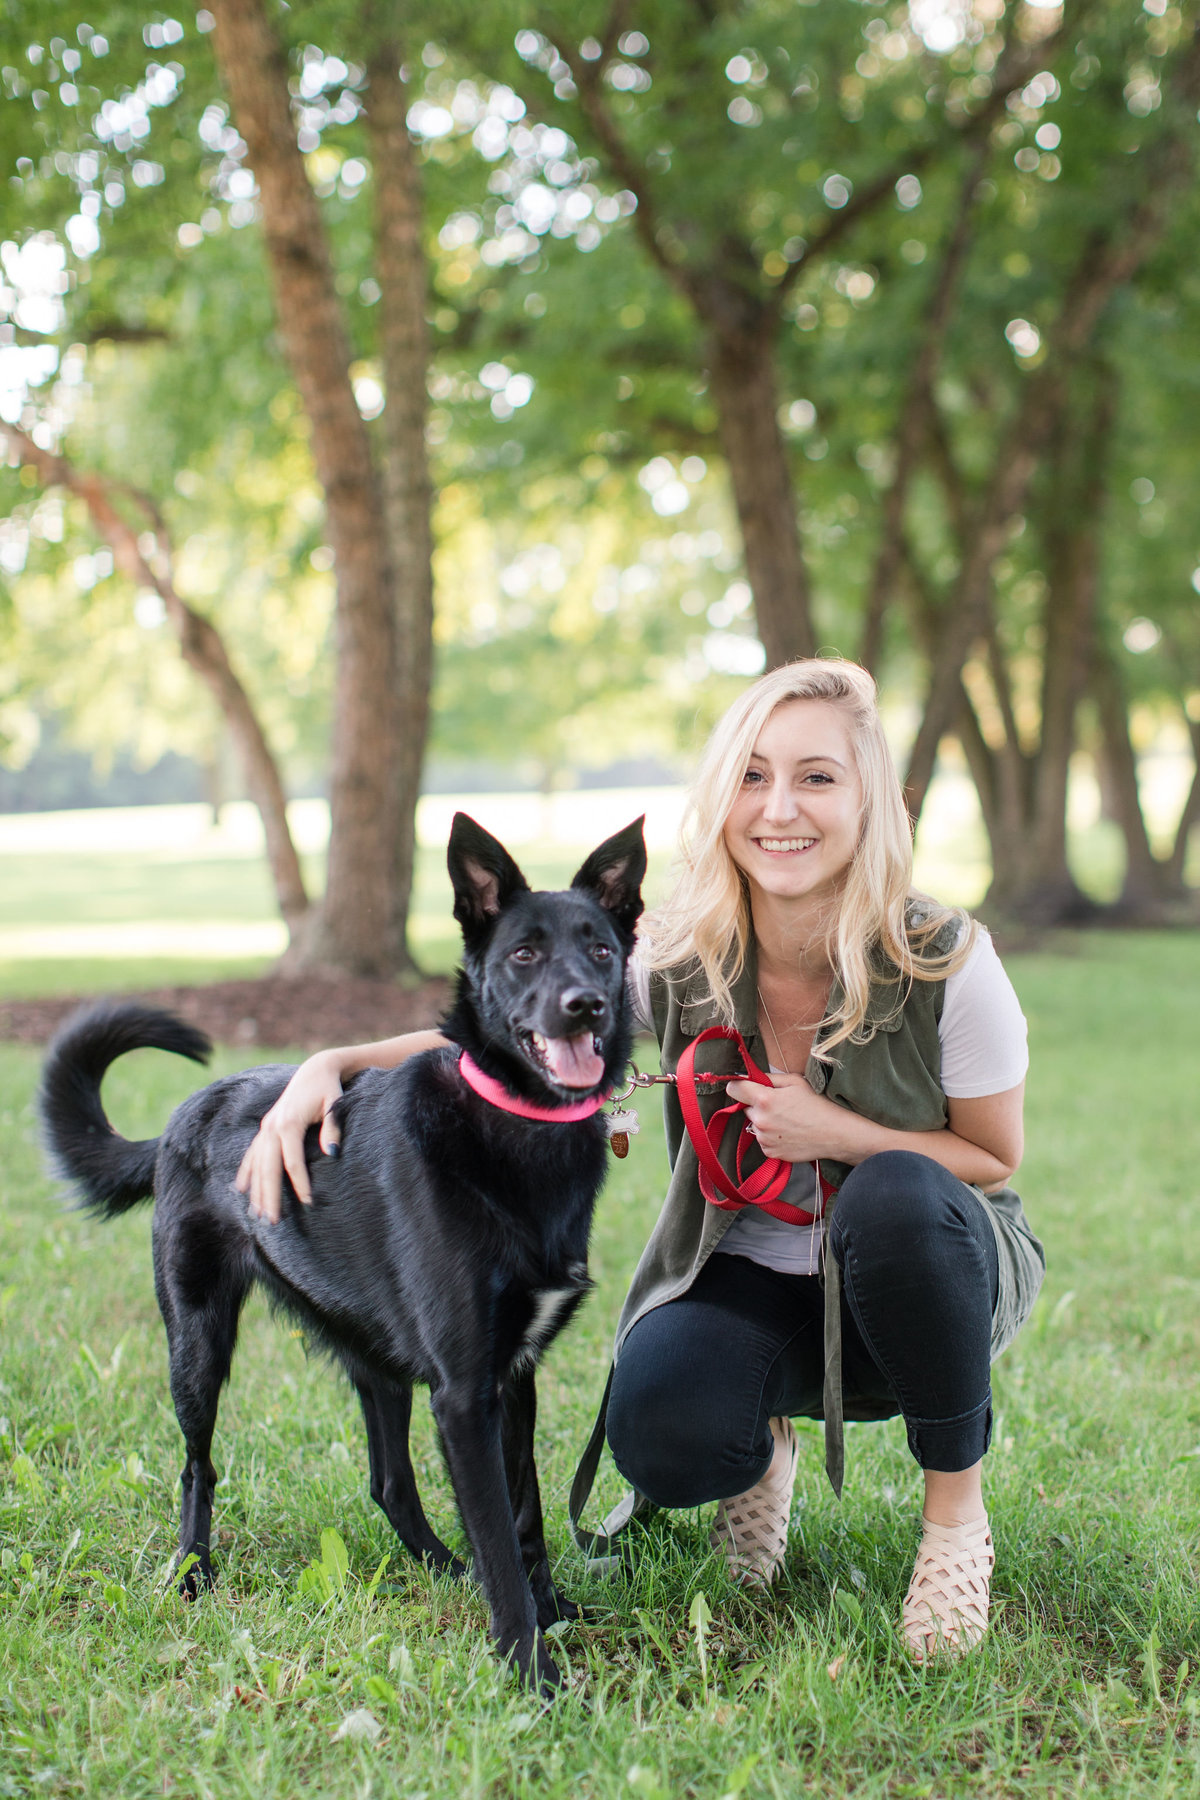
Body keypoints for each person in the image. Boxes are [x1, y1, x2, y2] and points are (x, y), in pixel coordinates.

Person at [236, 658, 1044, 1663]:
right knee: (662, 1428)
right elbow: (503, 1024)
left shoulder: (945, 959)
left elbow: (990, 1156)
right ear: (721, 798)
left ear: (871, 797)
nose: (779, 807)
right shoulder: (683, 955)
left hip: (934, 1266)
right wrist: (333, 1063)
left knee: (894, 1197)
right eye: (752, 776)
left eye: (817, 777)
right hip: (758, 1276)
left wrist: (839, 1135)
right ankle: (762, 1449)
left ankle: (954, 1522)